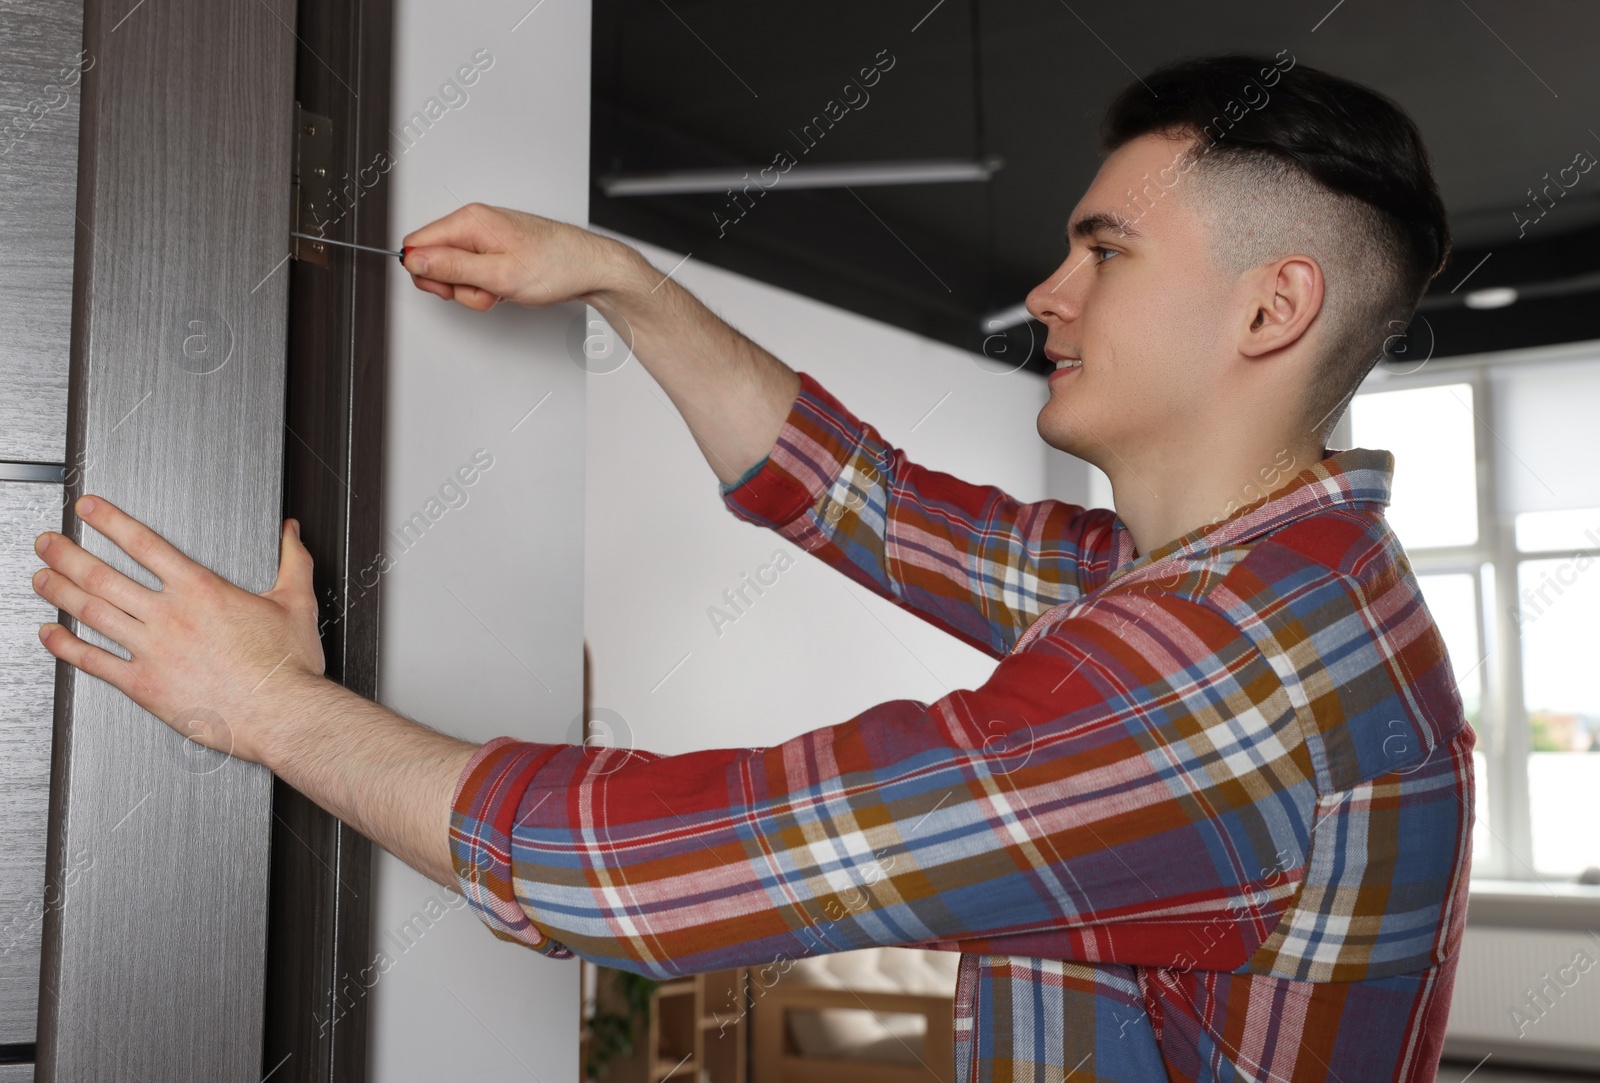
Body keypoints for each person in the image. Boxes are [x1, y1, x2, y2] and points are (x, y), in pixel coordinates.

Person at [31, 54, 1472, 1081]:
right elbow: (872, 504)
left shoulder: (1219, 679)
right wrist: (626, 282)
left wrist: (257, 703)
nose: (1048, 291)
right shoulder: (1277, 583)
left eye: (1106, 251)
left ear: (1274, 308)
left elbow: (628, 876)